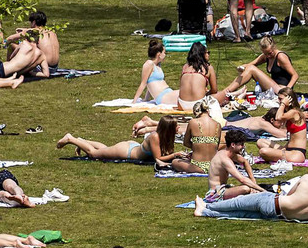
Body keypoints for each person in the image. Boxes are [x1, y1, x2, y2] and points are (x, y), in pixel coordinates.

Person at [195, 164, 308, 221]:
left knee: (238, 202)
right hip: (280, 216)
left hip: (273, 203)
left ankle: (209, 207)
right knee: (240, 214)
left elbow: (289, 195)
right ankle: (204, 212)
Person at [55, 115, 186, 166]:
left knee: (104, 149)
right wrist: (175, 155)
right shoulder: (155, 137)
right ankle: (70, 138)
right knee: (94, 154)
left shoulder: (167, 137)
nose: (179, 128)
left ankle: (82, 141)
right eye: (176, 127)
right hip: (126, 152)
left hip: (132, 147)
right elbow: (159, 158)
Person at [207, 128, 270, 201]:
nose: (243, 147)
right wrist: (263, 191)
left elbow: (244, 162)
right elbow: (242, 179)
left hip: (223, 188)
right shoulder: (224, 159)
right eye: (241, 144)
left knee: (249, 187)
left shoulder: (229, 153)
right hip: (215, 194)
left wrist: (253, 180)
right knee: (245, 188)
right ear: (233, 145)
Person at [257, 88, 308, 164]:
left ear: (289, 99)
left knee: (263, 151)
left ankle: (274, 156)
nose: (279, 101)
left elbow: (278, 117)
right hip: (288, 149)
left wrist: (283, 104)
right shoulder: (291, 112)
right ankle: (276, 156)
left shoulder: (294, 112)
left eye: (280, 99)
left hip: (297, 153)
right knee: (260, 142)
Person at [229, 36, 297, 94]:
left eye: (270, 53)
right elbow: (250, 64)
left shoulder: (281, 57)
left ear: (274, 47)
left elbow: (295, 75)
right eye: (265, 54)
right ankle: (229, 91)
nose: (268, 56)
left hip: (281, 88)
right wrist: (242, 67)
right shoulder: (265, 56)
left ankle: (228, 91)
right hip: (272, 87)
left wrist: (287, 91)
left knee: (251, 69)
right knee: (250, 68)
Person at [134, 38, 177, 104]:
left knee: (187, 93)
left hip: (168, 92)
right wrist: (134, 101)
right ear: (159, 54)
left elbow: (150, 83)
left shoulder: (158, 65)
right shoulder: (149, 64)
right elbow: (143, 83)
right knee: (185, 93)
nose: (165, 55)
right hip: (162, 96)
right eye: (164, 52)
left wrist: (146, 98)